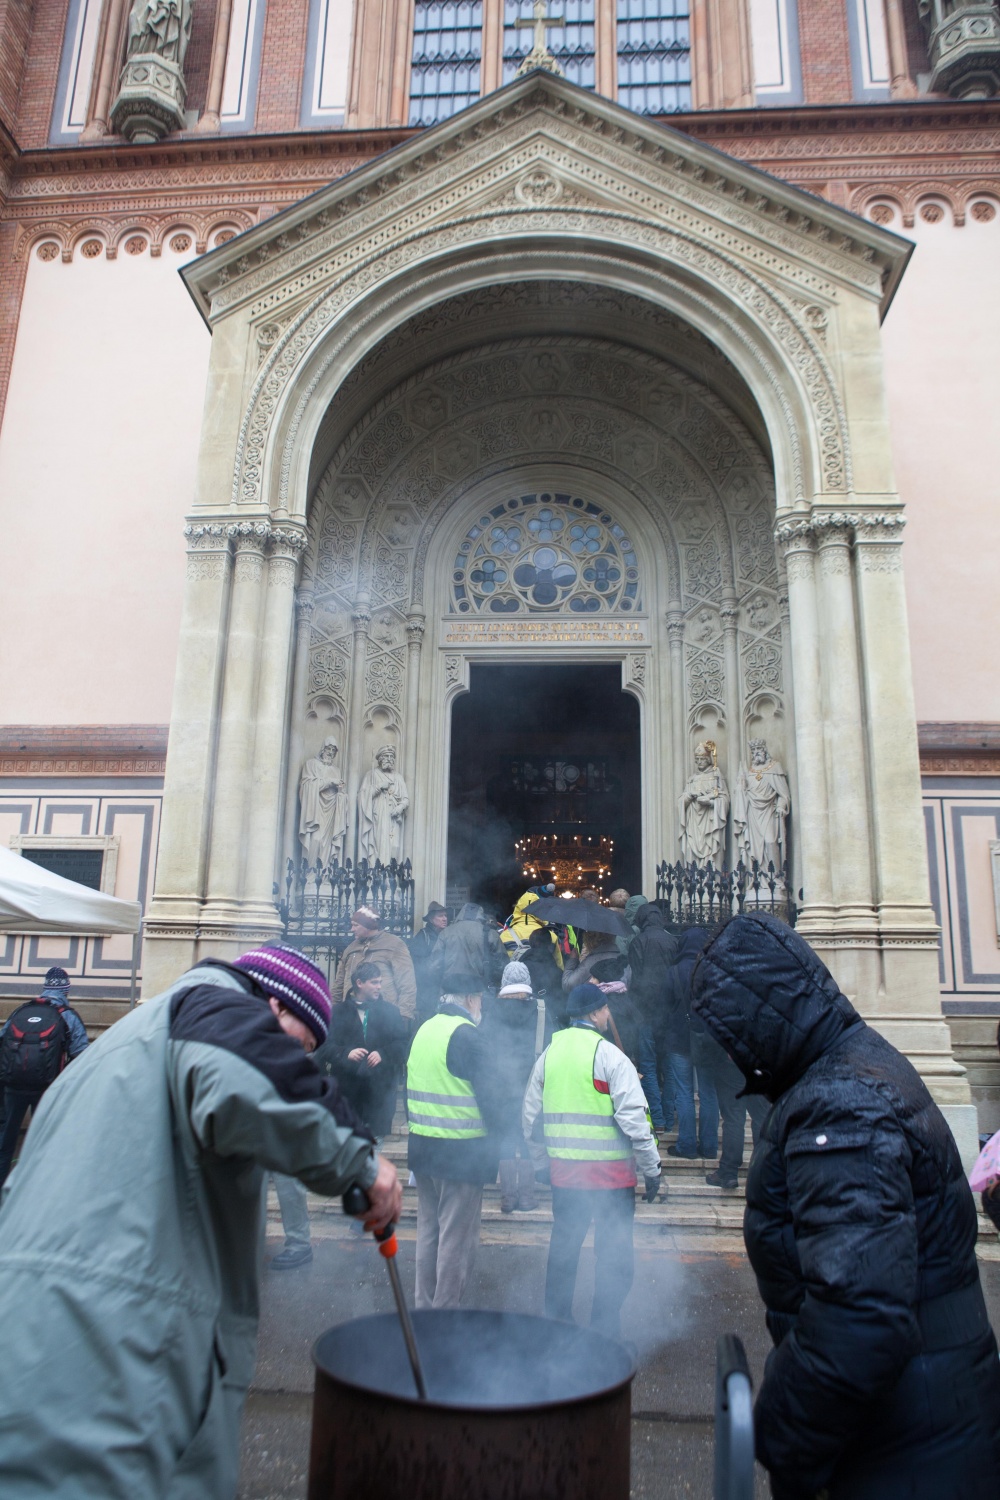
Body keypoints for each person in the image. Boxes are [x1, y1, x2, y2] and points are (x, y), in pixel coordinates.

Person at [0, 943, 401, 1500]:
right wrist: (362, 1162)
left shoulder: (126, 1041)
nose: (298, 1061)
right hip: (108, 1348)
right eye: (299, 1046)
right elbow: (258, 1074)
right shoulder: (216, 1010)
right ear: (275, 1008)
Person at [691, 913, 1000, 1500]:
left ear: (758, 1018)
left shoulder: (836, 1105)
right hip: (926, 1417)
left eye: (728, 1031)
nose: (729, 1053)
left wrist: (781, 1435)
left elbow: (859, 1315)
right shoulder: (855, 1062)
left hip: (909, 1442)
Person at [523, 982, 662, 1339]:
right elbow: (636, 1120)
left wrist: (540, 1163)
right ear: (596, 1013)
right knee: (614, 1256)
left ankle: (557, 1325)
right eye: (605, 1010)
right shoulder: (610, 1056)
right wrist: (652, 1169)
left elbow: (530, 1117)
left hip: (566, 1176)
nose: (608, 1015)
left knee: (564, 1250)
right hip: (612, 1178)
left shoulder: (549, 1054)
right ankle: (604, 1331)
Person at [407, 970, 502, 1309]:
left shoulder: (424, 1030)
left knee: (428, 1234)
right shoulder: (468, 1036)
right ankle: (444, 1317)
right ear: (472, 1000)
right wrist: (503, 1148)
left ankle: (424, 1306)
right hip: (462, 1153)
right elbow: (492, 1100)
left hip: (423, 1148)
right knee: (455, 1241)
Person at [0, 965, 89, 1185]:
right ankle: (35, 1186)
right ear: (66, 990)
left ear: (45, 987)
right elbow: (83, 1055)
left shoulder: (21, 1011)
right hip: (47, 1089)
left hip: (13, 1085)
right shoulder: (68, 1016)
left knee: (5, 1140)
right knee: (44, 1139)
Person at [480, 960, 546, 1212]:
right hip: (533, 1087)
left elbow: (483, 1050)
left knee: (506, 1138)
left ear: (505, 983)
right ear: (527, 982)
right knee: (529, 1138)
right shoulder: (541, 1010)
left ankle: (508, 1197)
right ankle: (528, 1197)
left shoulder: (491, 1011)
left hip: (500, 1086)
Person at [318, 961, 408, 1140]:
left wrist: (383, 1053)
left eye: (380, 982)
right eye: (374, 982)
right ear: (359, 983)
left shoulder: (391, 1012)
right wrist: (345, 1053)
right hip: (348, 1093)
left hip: (380, 1093)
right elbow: (323, 1046)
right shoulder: (337, 1012)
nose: (379, 987)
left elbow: (403, 1044)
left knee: (376, 1147)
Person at [661, 927, 718, 1161]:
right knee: (708, 1093)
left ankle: (687, 1145)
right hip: (706, 1039)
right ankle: (709, 1146)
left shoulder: (673, 971)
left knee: (683, 1093)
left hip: (679, 1038)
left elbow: (664, 1007)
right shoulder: (713, 971)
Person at [626, 902, 678, 1135]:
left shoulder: (638, 941)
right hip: (668, 1013)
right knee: (668, 1066)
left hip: (646, 1012)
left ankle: (657, 1118)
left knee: (647, 1065)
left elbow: (636, 978)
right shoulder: (673, 941)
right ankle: (668, 1115)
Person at [330, 905, 417, 1020]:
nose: (352, 929)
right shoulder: (350, 948)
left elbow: (406, 983)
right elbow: (339, 984)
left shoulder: (394, 944)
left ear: (368, 926)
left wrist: (404, 1015)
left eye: (355, 925)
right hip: (351, 1016)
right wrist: (332, 1011)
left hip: (384, 1017)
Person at [431, 901, 506, 998]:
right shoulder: (490, 934)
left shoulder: (446, 933)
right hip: (480, 993)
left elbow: (435, 966)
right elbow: (502, 966)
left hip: (450, 992)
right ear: (480, 915)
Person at [408, 900, 449, 1021]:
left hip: (442, 988)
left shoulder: (447, 935)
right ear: (431, 919)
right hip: (427, 991)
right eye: (440, 916)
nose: (444, 919)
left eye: (445, 915)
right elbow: (417, 965)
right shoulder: (422, 936)